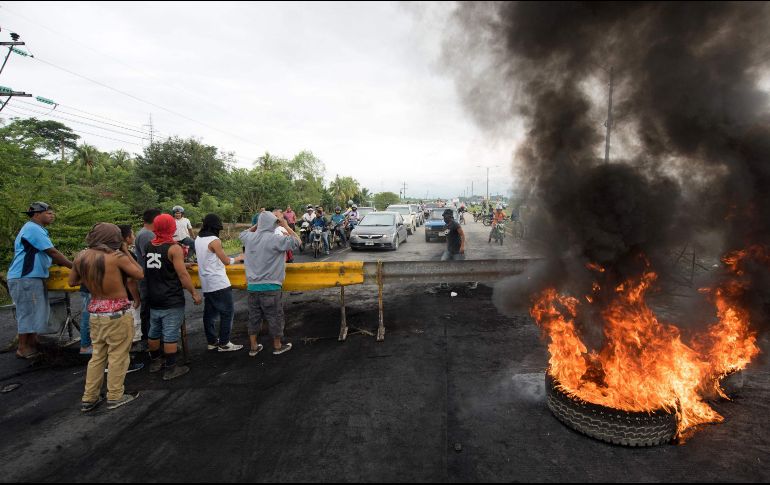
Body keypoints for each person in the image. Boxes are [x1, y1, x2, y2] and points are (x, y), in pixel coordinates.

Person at [69, 223, 144, 412]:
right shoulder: (116, 257)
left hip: (95, 312)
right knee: (118, 356)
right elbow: (139, 273)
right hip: (117, 313)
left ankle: (89, 397)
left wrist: (91, 277)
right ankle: (115, 396)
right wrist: (126, 251)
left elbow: (72, 281)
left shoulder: (81, 256)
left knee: (97, 356)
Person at [7, 202, 73, 359]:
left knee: (36, 311)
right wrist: (75, 267)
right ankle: (23, 347)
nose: (52, 215)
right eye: (48, 213)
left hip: (31, 277)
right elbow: (53, 253)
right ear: (37, 214)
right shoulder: (32, 229)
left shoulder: (38, 229)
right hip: (25, 277)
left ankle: (32, 343)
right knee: (27, 312)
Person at [144, 213, 202, 380]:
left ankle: (155, 362)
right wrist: (194, 292)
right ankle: (171, 368)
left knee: (154, 331)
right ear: (171, 227)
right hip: (170, 296)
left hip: (153, 295)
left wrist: (182, 262)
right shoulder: (174, 248)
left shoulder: (149, 245)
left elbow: (161, 263)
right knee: (170, 333)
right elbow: (183, 275)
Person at [240, 210, 301, 356]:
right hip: (271, 286)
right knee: (275, 317)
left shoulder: (249, 238)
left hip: (253, 287)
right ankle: (277, 346)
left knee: (254, 317)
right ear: (274, 223)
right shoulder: (276, 239)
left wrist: (257, 225)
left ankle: (254, 347)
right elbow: (298, 241)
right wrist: (286, 225)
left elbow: (242, 233)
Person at [194, 214, 244, 353]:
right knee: (227, 312)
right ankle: (224, 343)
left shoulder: (198, 239)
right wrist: (238, 258)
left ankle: (212, 342)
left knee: (209, 314)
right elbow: (226, 261)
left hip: (206, 282)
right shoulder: (214, 240)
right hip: (218, 282)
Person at [133, 208, 161, 350]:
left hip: (148, 278)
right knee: (149, 311)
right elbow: (152, 258)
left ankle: (151, 341)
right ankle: (151, 343)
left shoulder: (145, 233)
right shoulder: (147, 235)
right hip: (149, 279)